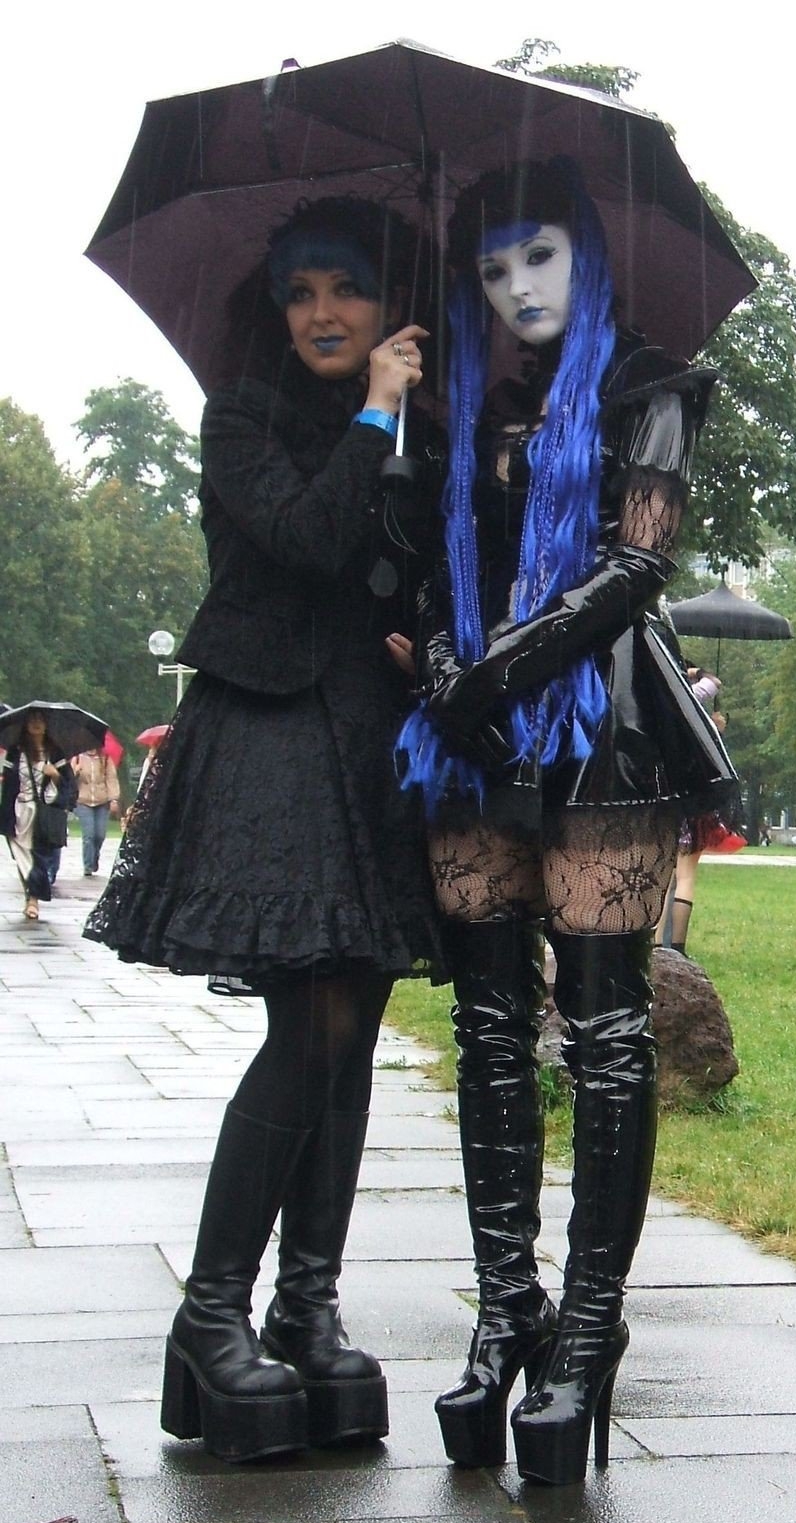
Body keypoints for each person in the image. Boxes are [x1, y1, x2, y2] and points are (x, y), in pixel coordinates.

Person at [396, 159, 739, 1486]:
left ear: (584, 258)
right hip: (474, 736)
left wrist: (497, 669)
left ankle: (587, 1329)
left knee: (602, 1028)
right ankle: (507, 1311)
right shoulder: (460, 399)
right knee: (487, 1026)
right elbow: (433, 555)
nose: (515, 286)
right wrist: (444, 660)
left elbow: (638, 560)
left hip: (604, 728)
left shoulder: (646, 379)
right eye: (491, 266)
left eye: (537, 257)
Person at [85, 197, 442, 1462]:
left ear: (385, 298)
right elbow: (298, 538)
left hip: (367, 741)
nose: (325, 313)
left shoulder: (416, 424)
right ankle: (211, 1313)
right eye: (302, 292)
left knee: (351, 1031)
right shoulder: (240, 417)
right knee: (311, 1024)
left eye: (346, 287)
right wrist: (376, 419)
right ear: (277, 308)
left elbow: (413, 568)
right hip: (271, 739)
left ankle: (307, 1307)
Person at [655, 668, 732, 955]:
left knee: (661, 877)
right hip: (695, 803)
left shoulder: (657, 706)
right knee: (686, 876)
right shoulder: (697, 708)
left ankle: (654, 946)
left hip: (664, 800)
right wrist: (697, 671)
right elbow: (714, 681)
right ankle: (678, 947)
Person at [0, 708, 77, 919]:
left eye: (40, 720)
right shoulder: (16, 751)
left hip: (44, 812)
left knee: (39, 857)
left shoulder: (55, 752)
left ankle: (34, 899)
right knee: (22, 857)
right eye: (32, 720)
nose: (36, 724)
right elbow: (8, 786)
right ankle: (31, 896)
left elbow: (69, 783)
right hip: (18, 812)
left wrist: (55, 776)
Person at [72, 746, 121, 876]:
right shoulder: (77, 758)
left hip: (102, 801)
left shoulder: (105, 758)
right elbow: (69, 779)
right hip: (83, 801)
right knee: (89, 835)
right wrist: (75, 771)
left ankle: (94, 858)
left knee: (99, 835)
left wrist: (113, 799)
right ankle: (88, 866)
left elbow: (111, 779)